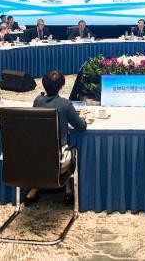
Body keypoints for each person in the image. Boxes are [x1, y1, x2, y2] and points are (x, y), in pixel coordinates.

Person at [27, 70, 87, 205]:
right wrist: (82, 117)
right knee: (67, 148)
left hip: (36, 153)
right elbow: (81, 127)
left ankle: (34, 189)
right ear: (61, 86)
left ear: (44, 85)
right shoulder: (65, 104)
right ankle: (68, 190)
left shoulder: (37, 101)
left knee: (48, 151)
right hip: (59, 156)